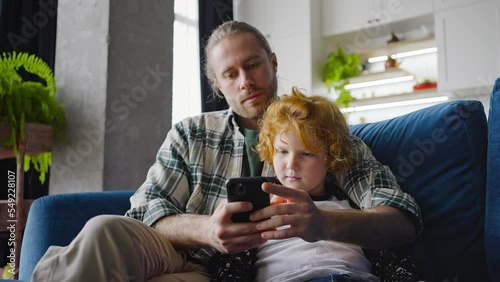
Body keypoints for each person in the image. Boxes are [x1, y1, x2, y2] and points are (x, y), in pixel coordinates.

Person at [31, 21, 422, 282]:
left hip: (215, 275)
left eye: (253, 65)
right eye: (230, 74)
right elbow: (146, 210)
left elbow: (401, 218)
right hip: (174, 249)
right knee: (104, 229)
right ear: (217, 85)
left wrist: (324, 223)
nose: (246, 81)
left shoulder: (321, 132)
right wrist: (206, 230)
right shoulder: (190, 133)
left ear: (272, 62)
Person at [210, 88, 421, 282]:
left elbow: (393, 258)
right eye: (282, 152)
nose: (291, 164)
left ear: (330, 158)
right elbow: (229, 268)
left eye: (306, 154)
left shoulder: (353, 207)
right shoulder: (259, 210)